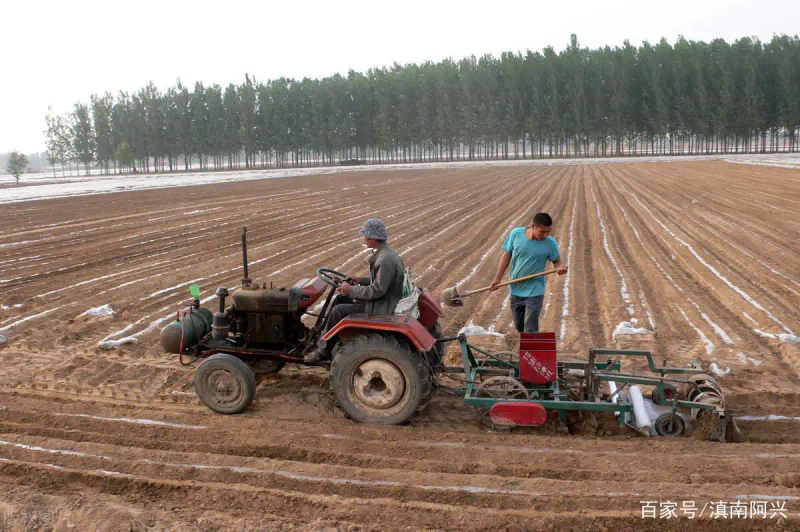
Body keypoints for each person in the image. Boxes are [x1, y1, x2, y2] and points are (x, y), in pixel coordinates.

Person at [304, 218, 405, 362]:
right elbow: (382, 282)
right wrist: (359, 280)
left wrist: (350, 290)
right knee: (340, 299)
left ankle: (324, 349)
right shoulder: (387, 254)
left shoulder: (385, 259)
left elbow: (377, 290)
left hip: (382, 305)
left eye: (365, 236)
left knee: (338, 310)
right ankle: (326, 338)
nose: (363, 239)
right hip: (384, 299)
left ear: (373, 238)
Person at [489, 212, 568, 333]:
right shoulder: (516, 234)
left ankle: (530, 351)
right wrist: (497, 278)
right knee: (519, 326)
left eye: (548, 231)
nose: (546, 235)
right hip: (516, 288)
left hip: (535, 290)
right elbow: (506, 255)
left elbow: (556, 261)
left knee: (530, 328)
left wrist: (560, 269)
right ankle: (527, 347)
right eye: (542, 231)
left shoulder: (550, 243)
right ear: (533, 226)